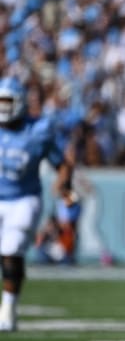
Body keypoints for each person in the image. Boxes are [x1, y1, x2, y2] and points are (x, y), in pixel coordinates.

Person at [0, 76, 75, 331]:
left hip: (23, 198)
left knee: (11, 251)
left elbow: (61, 162)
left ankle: (8, 307)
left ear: (20, 103)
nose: (3, 107)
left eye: (7, 101)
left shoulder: (38, 130)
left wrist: (63, 184)